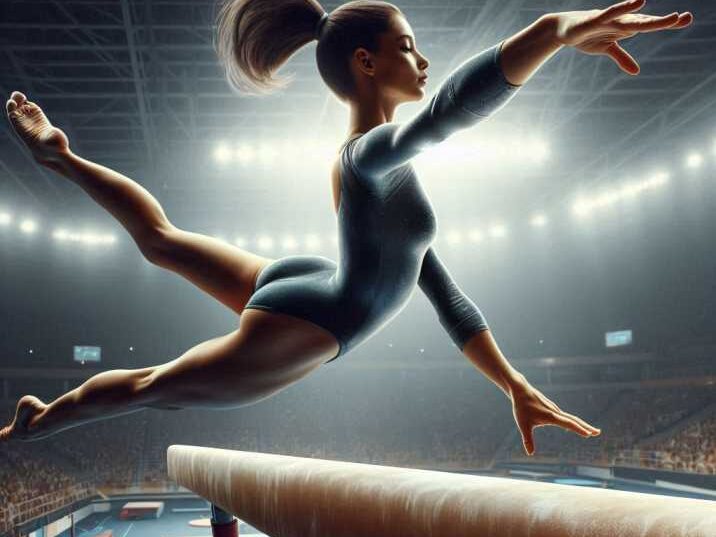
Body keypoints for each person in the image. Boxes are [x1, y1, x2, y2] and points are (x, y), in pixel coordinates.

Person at [0, 0, 691, 457]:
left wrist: (511, 382)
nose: (422, 62)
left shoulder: (382, 169)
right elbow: (448, 110)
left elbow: (445, 295)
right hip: (317, 320)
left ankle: (61, 157)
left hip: (316, 287)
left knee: (164, 240)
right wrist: (554, 31)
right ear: (366, 63)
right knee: (159, 388)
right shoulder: (371, 153)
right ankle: (44, 416)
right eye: (409, 48)